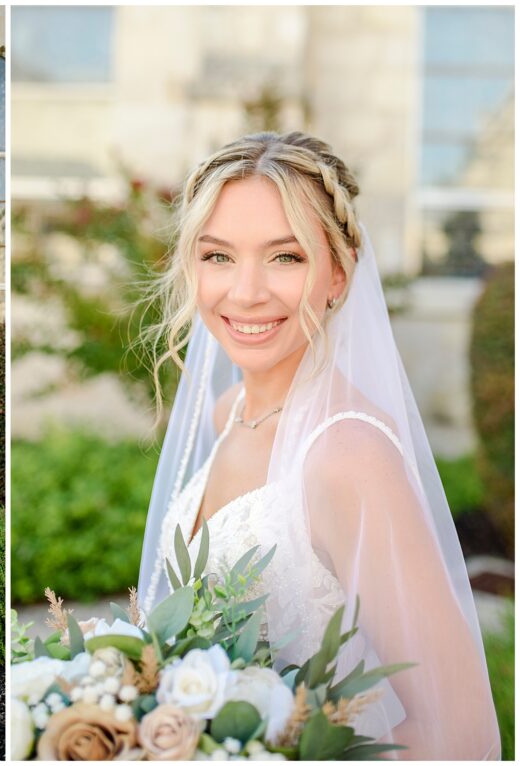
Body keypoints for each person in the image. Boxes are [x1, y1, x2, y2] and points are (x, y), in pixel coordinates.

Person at [137, 132, 500, 759]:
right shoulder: (229, 413)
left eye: (285, 257)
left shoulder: (347, 456)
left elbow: (461, 740)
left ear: (339, 272)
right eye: (218, 256)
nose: (245, 291)